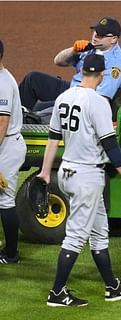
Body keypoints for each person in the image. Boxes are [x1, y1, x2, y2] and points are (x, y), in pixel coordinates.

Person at [37, 53, 121, 307]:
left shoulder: (63, 97)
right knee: (75, 237)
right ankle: (57, 293)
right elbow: (110, 144)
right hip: (87, 177)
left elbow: (52, 138)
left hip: (67, 172)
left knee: (100, 232)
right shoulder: (98, 102)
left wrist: (45, 172)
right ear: (102, 74)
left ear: (82, 71)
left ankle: (112, 287)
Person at [19, 16, 121, 119]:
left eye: (100, 35)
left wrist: (68, 102)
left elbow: (100, 100)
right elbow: (58, 61)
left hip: (85, 102)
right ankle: (17, 118)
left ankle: (26, 121)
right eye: (95, 31)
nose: (95, 36)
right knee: (32, 80)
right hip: (72, 89)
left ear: (113, 39)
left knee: (38, 109)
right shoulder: (91, 46)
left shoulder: (115, 65)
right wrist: (74, 50)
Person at [0, 39, 27, 264]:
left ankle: (11, 253)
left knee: (5, 200)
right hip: (5, 145)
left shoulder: (3, 83)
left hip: (6, 147)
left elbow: (2, 123)